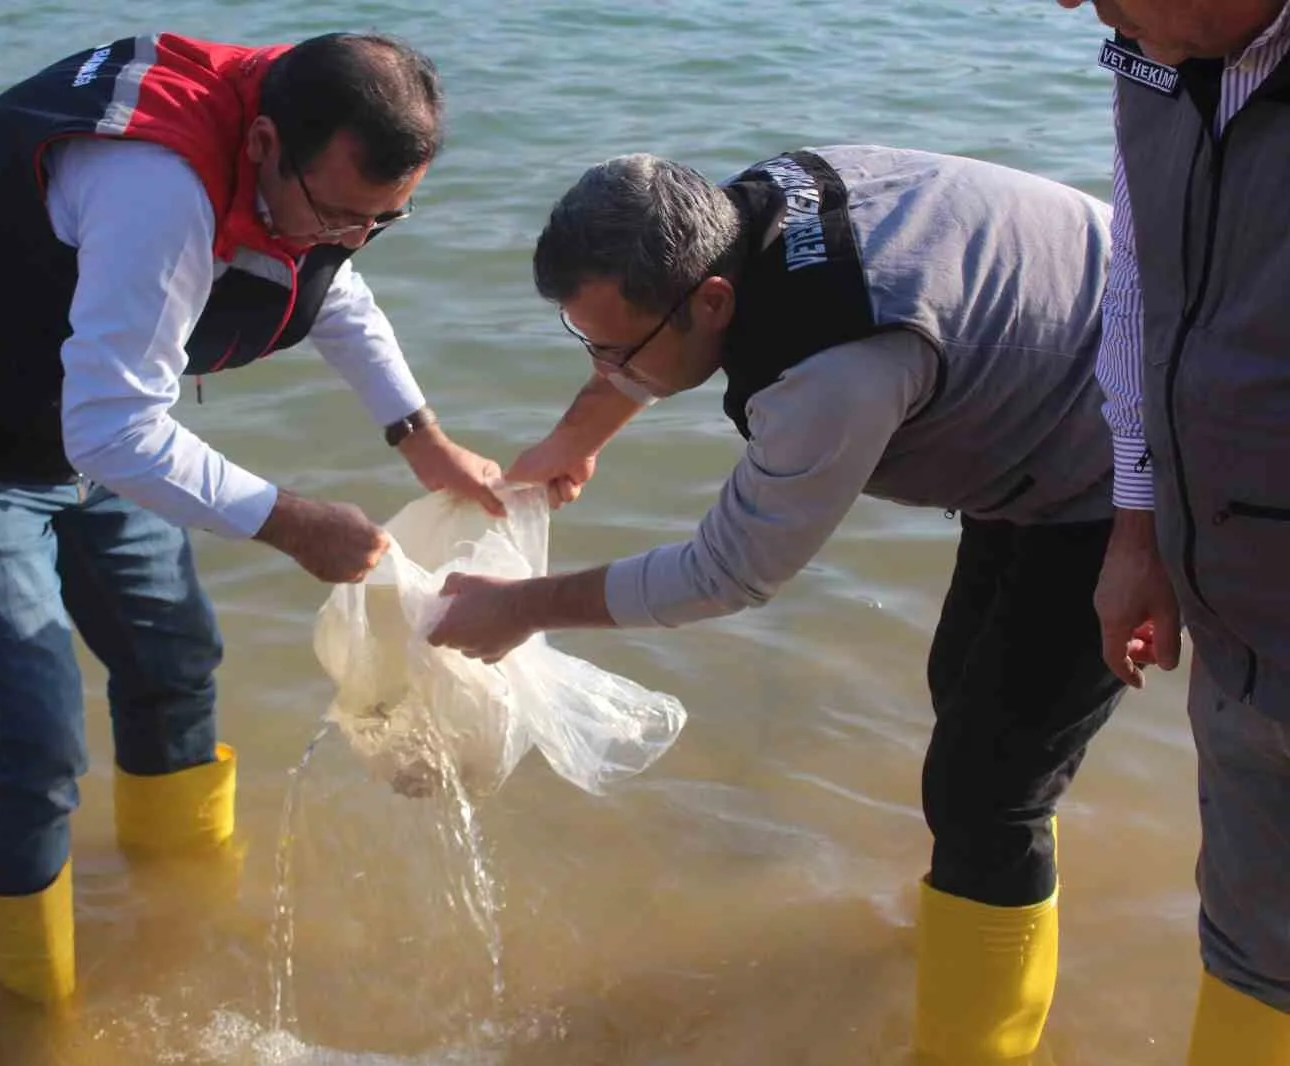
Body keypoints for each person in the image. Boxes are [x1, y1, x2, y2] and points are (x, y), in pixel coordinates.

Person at [0, 31, 503, 1003]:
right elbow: (115, 430)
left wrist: (420, 434)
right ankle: (34, 1010)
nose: (350, 238)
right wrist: (289, 519)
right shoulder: (158, 184)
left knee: (174, 661)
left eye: (381, 221)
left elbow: (331, 289)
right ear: (264, 142)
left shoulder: (308, 174)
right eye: (339, 212)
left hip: (83, 430)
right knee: (33, 730)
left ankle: (178, 918)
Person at [427, 145, 1129, 1064]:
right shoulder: (738, 212)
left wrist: (523, 606)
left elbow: (730, 572)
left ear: (712, 301)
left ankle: (978, 1048)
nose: (602, 364)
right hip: (1035, 392)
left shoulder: (833, 370)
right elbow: (654, 345)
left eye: (612, 347)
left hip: (1127, 460)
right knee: (964, 696)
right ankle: (968, 917)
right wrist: (572, 437)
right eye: (583, 340)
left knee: (987, 791)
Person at [1055, 2, 1290, 1063]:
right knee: (1247, 954)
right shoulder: (1154, 55)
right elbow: (1135, 285)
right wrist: (1138, 529)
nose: (1078, 5)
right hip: (1231, 610)